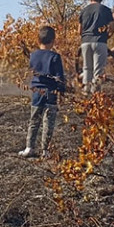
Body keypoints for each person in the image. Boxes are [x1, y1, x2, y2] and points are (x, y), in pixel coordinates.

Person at [19, 25, 67, 158]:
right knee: (48, 121)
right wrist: (61, 92)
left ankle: (29, 147)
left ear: (38, 40)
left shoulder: (33, 55)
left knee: (34, 119)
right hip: (50, 92)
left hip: (36, 91)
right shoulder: (55, 57)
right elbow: (59, 77)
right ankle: (45, 150)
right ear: (53, 41)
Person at [78, 0, 114, 94]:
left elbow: (79, 30)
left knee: (86, 68)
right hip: (100, 42)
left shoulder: (83, 11)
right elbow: (112, 27)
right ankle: (95, 95)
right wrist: (107, 36)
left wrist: (85, 37)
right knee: (98, 70)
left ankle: (86, 92)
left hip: (85, 42)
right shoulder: (106, 10)